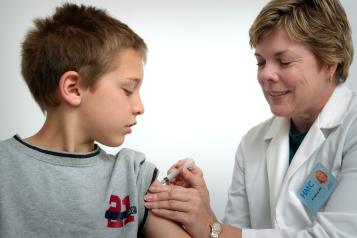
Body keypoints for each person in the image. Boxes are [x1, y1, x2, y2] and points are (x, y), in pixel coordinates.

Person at [144, 0, 357, 237]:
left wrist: (208, 228)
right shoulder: (253, 142)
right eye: (261, 62)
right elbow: (233, 233)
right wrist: (203, 213)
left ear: (329, 62)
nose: (265, 74)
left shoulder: (351, 128)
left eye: (284, 61)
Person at [0, 3, 190, 238]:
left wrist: (199, 218)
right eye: (128, 89)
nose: (140, 108)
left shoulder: (133, 176)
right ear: (74, 89)